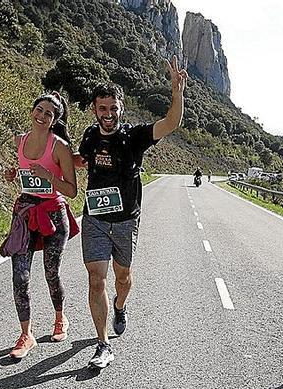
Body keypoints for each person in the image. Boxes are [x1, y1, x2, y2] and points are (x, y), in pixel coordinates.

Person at [76, 56, 187, 368]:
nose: (108, 114)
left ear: (120, 108)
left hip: (126, 221)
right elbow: (80, 161)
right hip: (95, 218)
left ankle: (120, 306)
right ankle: (102, 344)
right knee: (96, 279)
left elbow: (170, 124)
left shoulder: (135, 136)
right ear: (95, 110)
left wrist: (176, 94)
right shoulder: (90, 136)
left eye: (113, 108)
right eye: (102, 108)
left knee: (122, 277)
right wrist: (47, 160)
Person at [1, 91, 79, 359]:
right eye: (40, 110)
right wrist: (13, 175)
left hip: (53, 215)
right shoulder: (19, 141)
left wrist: (49, 176)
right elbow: (23, 172)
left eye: (49, 114)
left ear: (55, 119)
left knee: (51, 273)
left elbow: (72, 190)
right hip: (24, 212)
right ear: (32, 110)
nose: (42, 116)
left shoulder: (60, 147)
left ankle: (60, 318)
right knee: (20, 277)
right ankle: (26, 334)